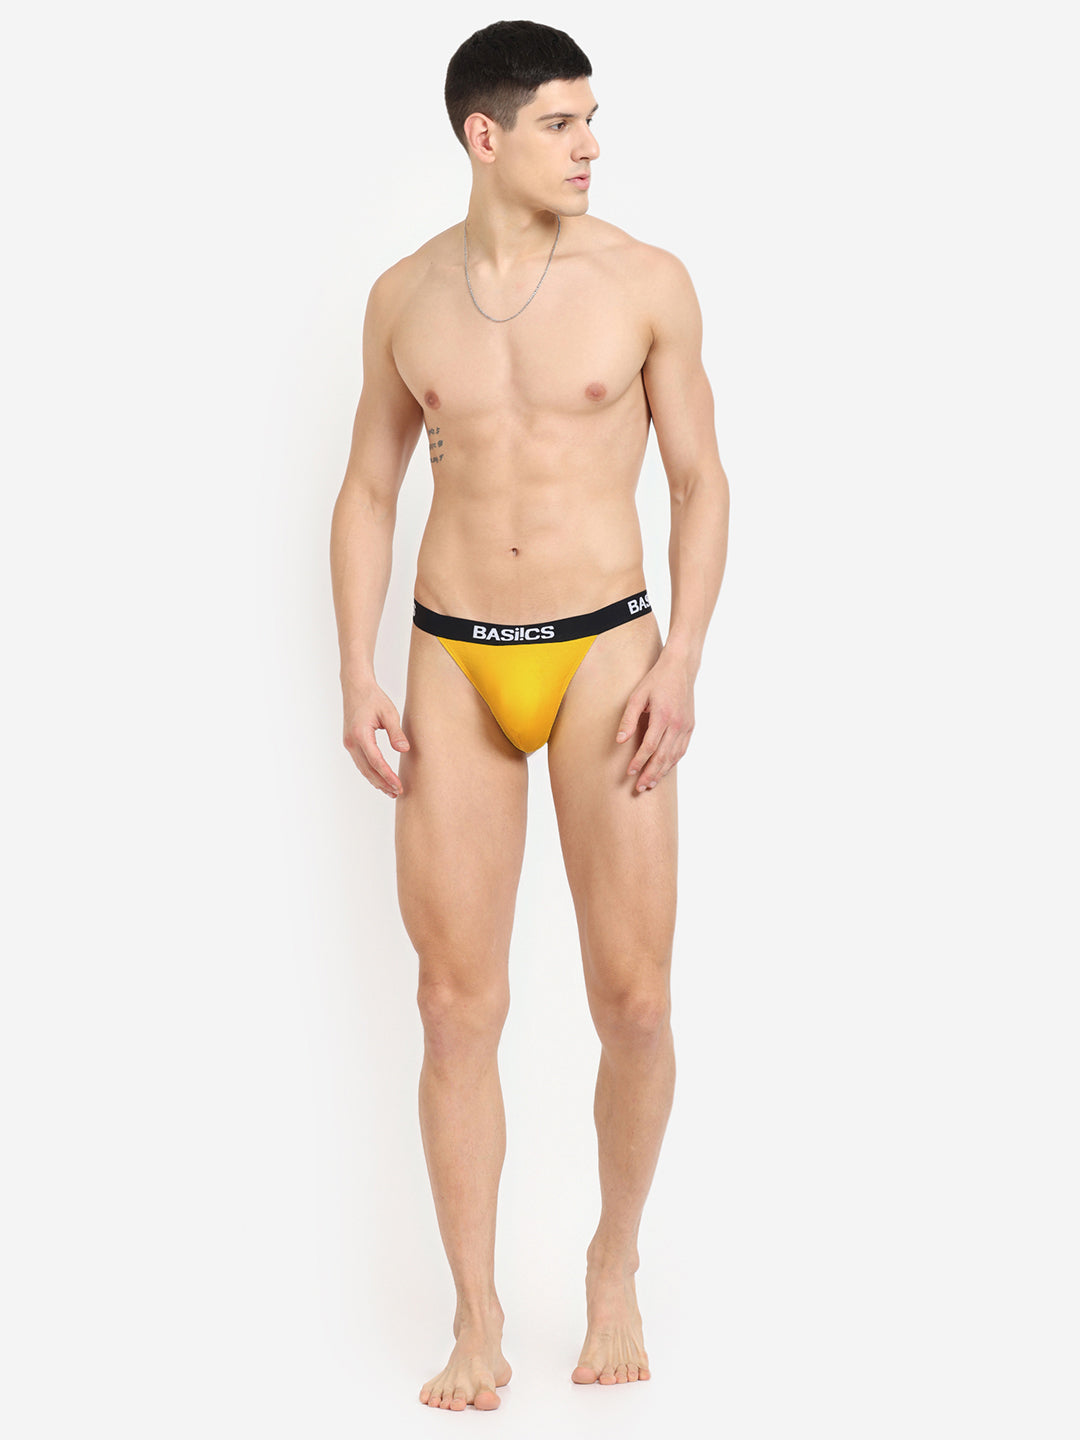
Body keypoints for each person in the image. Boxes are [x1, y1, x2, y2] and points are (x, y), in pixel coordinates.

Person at [330, 19, 730, 1412]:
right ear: (483, 136)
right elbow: (370, 487)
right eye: (562, 122)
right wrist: (355, 669)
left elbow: (702, 481)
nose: (590, 145)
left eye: (592, 118)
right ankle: (477, 1313)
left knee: (637, 1000)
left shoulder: (644, 282)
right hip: (455, 656)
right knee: (454, 1008)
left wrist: (684, 658)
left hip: (607, 652)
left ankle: (614, 1258)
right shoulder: (404, 296)